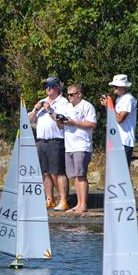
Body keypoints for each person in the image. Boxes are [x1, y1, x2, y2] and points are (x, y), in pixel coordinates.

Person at [28, 76, 70, 211]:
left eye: (50, 87)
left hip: (55, 140)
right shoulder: (42, 102)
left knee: (57, 172)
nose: (47, 89)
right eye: (46, 87)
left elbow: (62, 121)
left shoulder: (64, 102)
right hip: (41, 141)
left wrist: (51, 110)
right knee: (45, 173)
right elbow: (28, 120)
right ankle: (49, 199)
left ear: (57, 87)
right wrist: (35, 109)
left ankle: (63, 200)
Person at [60, 84, 97, 213]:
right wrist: (58, 121)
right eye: (68, 94)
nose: (69, 97)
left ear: (79, 94)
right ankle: (78, 204)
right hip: (69, 146)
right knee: (75, 176)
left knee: (81, 175)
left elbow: (92, 124)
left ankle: (83, 204)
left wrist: (74, 122)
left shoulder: (87, 106)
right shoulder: (66, 107)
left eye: (72, 94)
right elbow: (61, 126)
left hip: (82, 145)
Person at [101, 74, 137, 167]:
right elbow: (113, 117)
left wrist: (108, 106)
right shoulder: (119, 99)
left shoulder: (128, 99)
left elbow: (120, 118)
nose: (113, 88)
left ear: (122, 86)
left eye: (115, 86)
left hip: (124, 141)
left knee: (122, 172)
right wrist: (107, 106)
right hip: (116, 139)